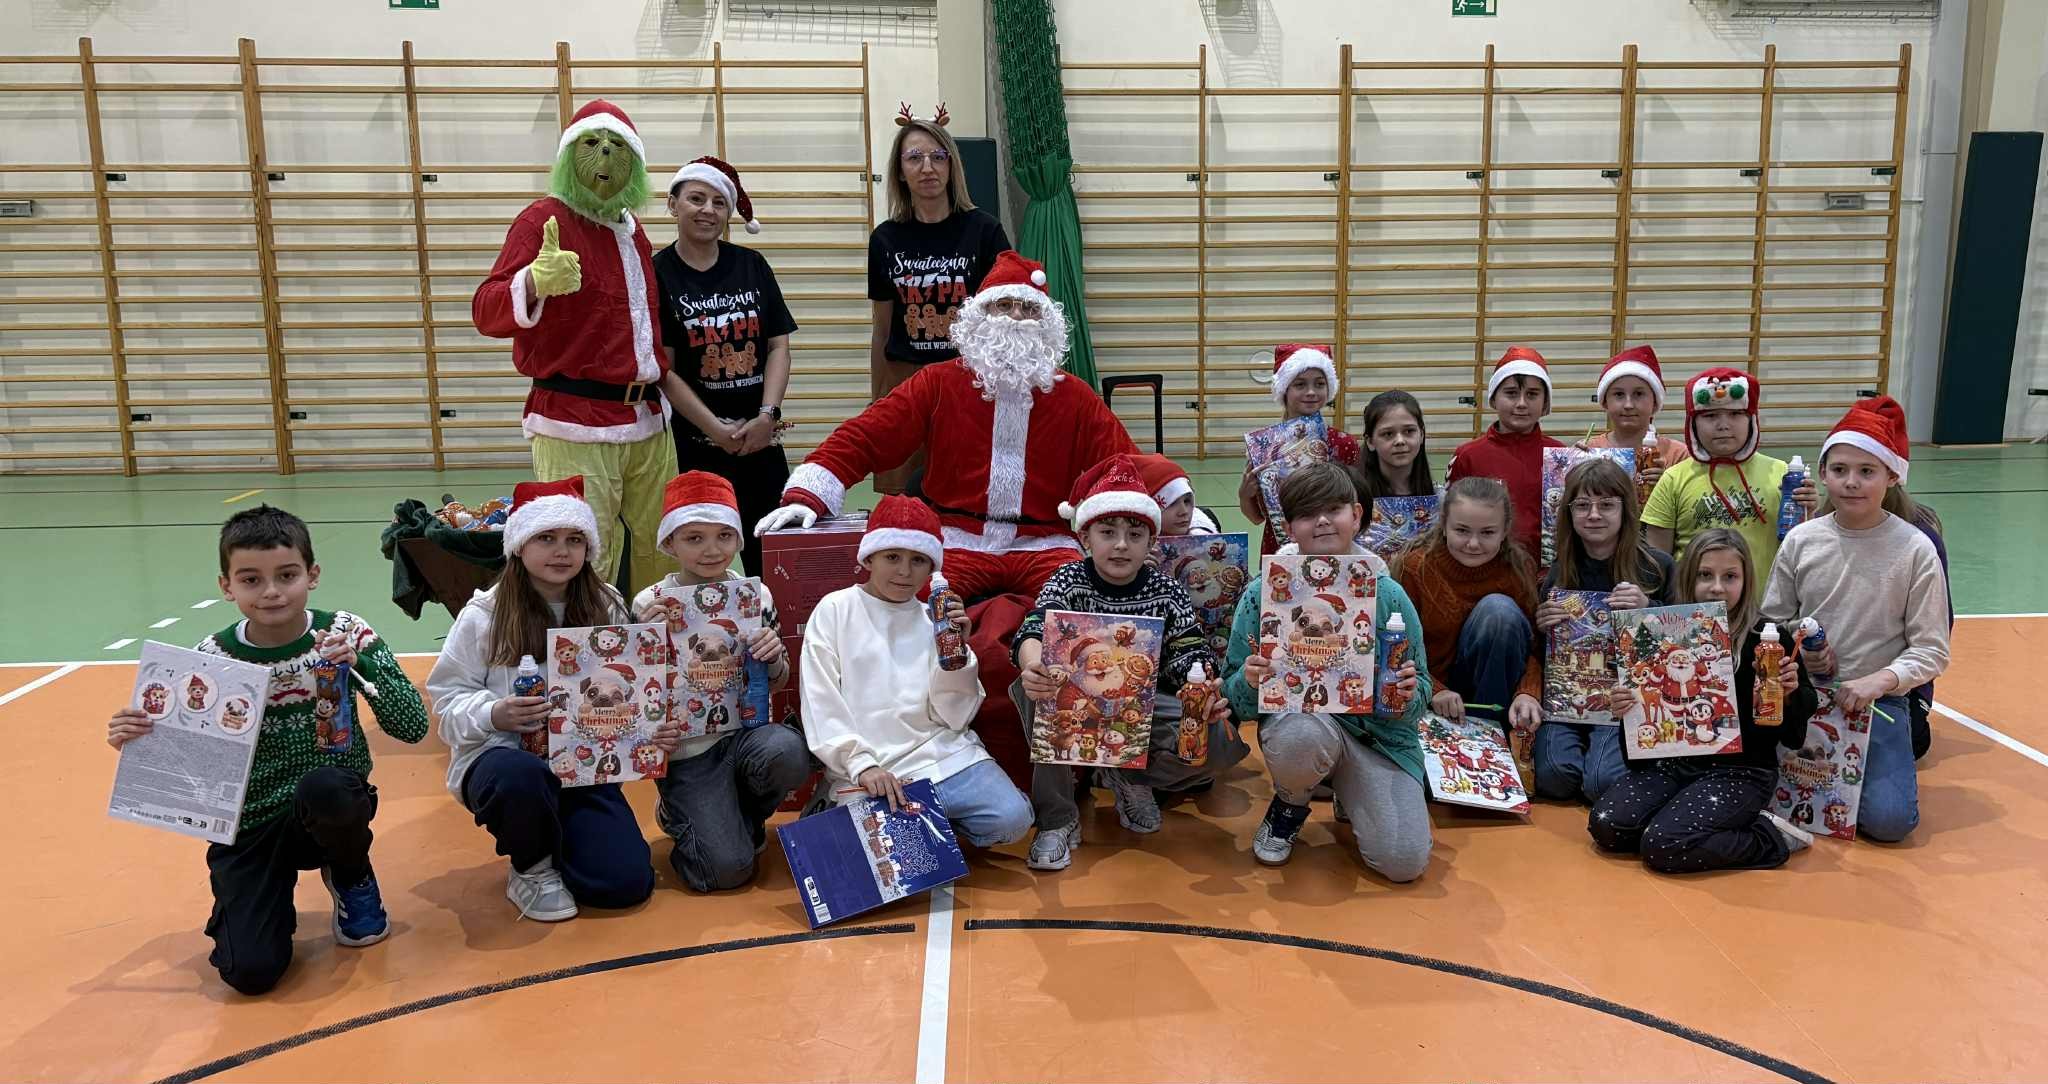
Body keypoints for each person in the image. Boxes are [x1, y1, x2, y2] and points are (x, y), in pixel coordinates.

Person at [105, 506, 430, 995]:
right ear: (227, 586)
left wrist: (361, 666)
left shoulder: (346, 632)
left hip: (326, 808)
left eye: (287, 575)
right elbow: (191, 772)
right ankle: (257, 903)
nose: (272, 591)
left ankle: (351, 872)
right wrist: (139, 741)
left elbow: (412, 725)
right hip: (249, 824)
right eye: (251, 580)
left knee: (327, 788)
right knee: (251, 973)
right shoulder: (210, 660)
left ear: (312, 575)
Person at [755, 249, 1137, 604]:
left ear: (1045, 323)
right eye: (1004, 306)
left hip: (1045, 543)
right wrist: (808, 494)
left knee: (1084, 605)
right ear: (980, 316)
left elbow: (1124, 465)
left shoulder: (1074, 395)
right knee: (910, 604)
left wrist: (1163, 512)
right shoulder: (939, 383)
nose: (1016, 317)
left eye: (1028, 308)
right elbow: (868, 435)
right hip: (956, 539)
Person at [427, 477, 663, 920]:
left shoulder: (606, 604)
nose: (562, 551)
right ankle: (531, 867)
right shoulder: (484, 615)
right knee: (520, 776)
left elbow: (631, 690)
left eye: (575, 539)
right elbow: (446, 700)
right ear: (519, 545)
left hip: (583, 767)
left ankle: (561, 836)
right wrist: (493, 713)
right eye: (546, 538)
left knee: (623, 884)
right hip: (503, 760)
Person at [473, 100, 677, 596]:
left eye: (618, 146)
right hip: (573, 422)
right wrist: (533, 282)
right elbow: (486, 309)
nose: (605, 154)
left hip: (648, 421)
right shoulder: (543, 220)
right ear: (568, 154)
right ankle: (585, 647)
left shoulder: (633, 230)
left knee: (667, 546)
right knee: (586, 557)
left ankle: (663, 637)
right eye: (591, 143)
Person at [1011, 454, 1244, 871]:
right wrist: (1033, 666)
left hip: (1143, 705)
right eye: (1108, 532)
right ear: (1086, 537)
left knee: (1219, 740)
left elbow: (1190, 653)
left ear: (1151, 541)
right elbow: (1033, 630)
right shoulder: (1068, 580)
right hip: (1077, 701)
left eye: (1135, 534)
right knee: (1037, 689)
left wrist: (1203, 689)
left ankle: (1129, 776)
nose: (1121, 544)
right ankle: (1057, 818)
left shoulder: (1166, 589)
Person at [1223, 463, 1435, 881]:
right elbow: (1234, 700)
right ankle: (1291, 800)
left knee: (1403, 862)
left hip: (1378, 739)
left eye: (1333, 509)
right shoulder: (1262, 593)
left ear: (1356, 515)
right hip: (1303, 727)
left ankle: (1346, 789)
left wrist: (1409, 693)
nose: (1321, 521)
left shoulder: (1389, 595)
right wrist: (1248, 681)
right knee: (1300, 737)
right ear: (1288, 528)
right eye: (1306, 514)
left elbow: (1422, 687)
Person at [1762, 397, 1950, 843]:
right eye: (1840, 469)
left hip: (1878, 703)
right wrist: (1799, 649)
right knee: (1763, 796)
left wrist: (1879, 681)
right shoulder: (1801, 540)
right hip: (1803, 696)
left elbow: (1932, 650)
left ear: (1892, 476)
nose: (1851, 482)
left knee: (1889, 823)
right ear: (1823, 474)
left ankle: (1870, 774)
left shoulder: (1915, 549)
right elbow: (1773, 621)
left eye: (1867, 471)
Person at [799, 496, 1034, 847]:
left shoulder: (932, 620)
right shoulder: (836, 609)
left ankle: (920, 828)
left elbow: (954, 716)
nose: (905, 572)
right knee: (883, 853)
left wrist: (957, 656)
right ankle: (850, 810)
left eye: (918, 560)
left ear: (932, 569)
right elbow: (820, 698)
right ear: (869, 558)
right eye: (892, 557)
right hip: (872, 768)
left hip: (943, 756)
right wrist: (861, 765)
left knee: (1013, 821)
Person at [1589, 528, 1819, 872]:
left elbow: (1795, 729)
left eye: (1730, 577)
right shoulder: (1664, 635)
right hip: (1671, 763)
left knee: (1663, 846)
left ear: (1746, 579)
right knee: (1607, 825)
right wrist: (1626, 710)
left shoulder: (1767, 638)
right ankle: (1686, 823)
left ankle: (1770, 837)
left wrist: (1789, 695)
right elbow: (1644, 738)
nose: (1717, 587)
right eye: (1705, 575)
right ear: (1688, 578)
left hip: (1740, 771)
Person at [630, 471, 810, 891]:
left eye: (724, 536)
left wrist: (773, 655)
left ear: (738, 540)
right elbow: (637, 699)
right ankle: (679, 813)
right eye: (694, 538)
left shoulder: (756, 596)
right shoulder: (648, 602)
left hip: (746, 734)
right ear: (669, 543)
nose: (712, 550)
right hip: (688, 753)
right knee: (724, 872)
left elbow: (778, 680)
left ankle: (742, 814)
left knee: (788, 750)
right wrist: (645, 639)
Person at [653, 156, 794, 578]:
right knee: (704, 562)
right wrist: (715, 429)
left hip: (761, 440)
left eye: (719, 202)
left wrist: (767, 416)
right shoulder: (657, 273)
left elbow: (778, 347)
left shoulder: (752, 265)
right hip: (695, 445)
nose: (708, 210)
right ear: (673, 204)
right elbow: (664, 369)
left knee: (773, 560)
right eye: (696, 199)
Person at [868, 103, 1012, 496]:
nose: (927, 167)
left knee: (969, 493)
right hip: (906, 381)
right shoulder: (885, 239)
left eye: (938, 156)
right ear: (900, 170)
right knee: (906, 500)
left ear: (952, 166)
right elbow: (882, 329)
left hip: (968, 379)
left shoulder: (985, 231)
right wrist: (878, 399)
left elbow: (1006, 322)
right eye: (914, 157)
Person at [1531, 458, 1674, 805]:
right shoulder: (1559, 571)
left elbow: (1685, 641)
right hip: (1568, 700)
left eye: (1606, 505)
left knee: (1602, 782)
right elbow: (1541, 651)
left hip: (1626, 703)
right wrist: (1543, 624)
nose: (1594, 515)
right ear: (1568, 513)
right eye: (1582, 505)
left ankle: (1607, 758)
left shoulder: (1656, 566)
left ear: (1626, 510)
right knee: (1553, 777)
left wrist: (1649, 609)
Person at [1393, 477, 1544, 741]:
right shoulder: (1415, 568)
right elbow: (1397, 644)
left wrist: (1528, 692)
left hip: (1496, 698)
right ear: (1444, 525)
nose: (1473, 543)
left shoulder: (1517, 569)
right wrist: (1434, 690)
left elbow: (1535, 647)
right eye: (1462, 530)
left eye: (1487, 533)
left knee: (1498, 612)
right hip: (1432, 695)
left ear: (1504, 530)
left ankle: (1492, 736)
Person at [1641, 368, 1816, 592]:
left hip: (1766, 608)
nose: (1723, 425)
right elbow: (1658, 563)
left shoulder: (1783, 475)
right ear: (1693, 423)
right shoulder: (1673, 479)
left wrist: (1809, 513)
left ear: (1752, 419)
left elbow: (1802, 549)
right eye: (1710, 415)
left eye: (1735, 414)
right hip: (1693, 609)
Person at [1239, 344, 1361, 556]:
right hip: (1279, 549)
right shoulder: (1264, 447)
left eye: (1319, 384)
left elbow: (1357, 507)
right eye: (1300, 384)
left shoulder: (1344, 444)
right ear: (1284, 389)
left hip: (1335, 547)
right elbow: (1257, 517)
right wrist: (1244, 495)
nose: (1311, 392)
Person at [1446, 346, 1565, 555]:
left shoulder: (1560, 455)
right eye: (1511, 393)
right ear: (1493, 398)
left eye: (1532, 394)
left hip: (1546, 569)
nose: (1521, 403)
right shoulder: (1468, 455)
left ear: (1546, 401)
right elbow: (1451, 521)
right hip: (1485, 565)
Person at [1579, 346, 1688, 492]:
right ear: (1604, 402)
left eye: (1638, 394)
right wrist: (1570, 465)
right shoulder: (1589, 451)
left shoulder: (1679, 455)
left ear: (1655, 402)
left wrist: (1669, 486)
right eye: (1619, 395)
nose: (1628, 405)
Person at [1352, 389, 1433, 505]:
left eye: (1409, 431)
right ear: (1370, 441)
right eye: (1388, 434)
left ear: (1421, 435)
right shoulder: (1352, 497)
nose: (1400, 441)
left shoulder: (1440, 498)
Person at [1133, 452, 1220, 536]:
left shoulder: (1207, 539)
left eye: (1187, 501)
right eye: (1171, 503)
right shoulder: (1130, 543)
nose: (1184, 511)